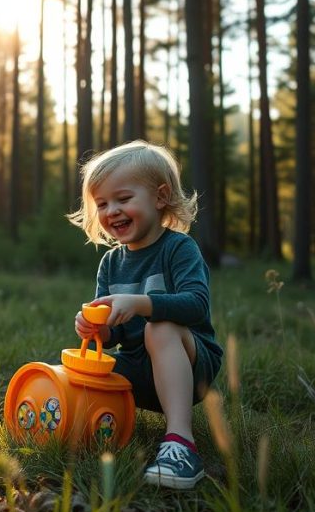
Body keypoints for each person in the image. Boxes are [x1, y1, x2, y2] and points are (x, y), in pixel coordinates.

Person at [68, 140, 223, 490]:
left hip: (189, 362)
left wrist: (139, 304)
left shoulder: (179, 248)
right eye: (102, 203)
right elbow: (114, 335)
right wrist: (96, 329)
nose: (112, 211)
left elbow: (196, 305)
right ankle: (79, 430)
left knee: (160, 328)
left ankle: (181, 444)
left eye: (123, 199)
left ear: (160, 196)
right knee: (79, 375)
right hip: (137, 366)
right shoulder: (110, 262)